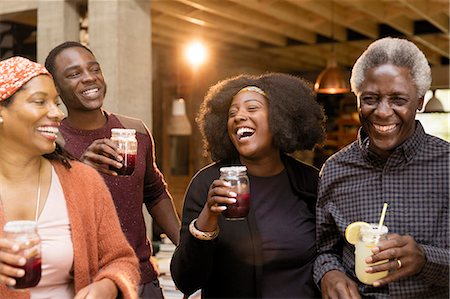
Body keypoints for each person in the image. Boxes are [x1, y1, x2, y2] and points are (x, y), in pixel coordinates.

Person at [314, 37, 449, 298]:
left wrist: (424, 259)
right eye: (371, 98)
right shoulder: (334, 170)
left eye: (398, 99)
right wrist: (329, 273)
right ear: (357, 99)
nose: (383, 112)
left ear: (419, 101)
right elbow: (325, 250)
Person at [44, 41, 180, 298]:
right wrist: (80, 171)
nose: (88, 78)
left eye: (94, 69)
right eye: (74, 74)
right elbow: (44, 210)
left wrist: (185, 246)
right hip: (83, 284)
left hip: (141, 280)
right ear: (56, 88)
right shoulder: (51, 141)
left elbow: (154, 192)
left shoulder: (135, 131)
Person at [171, 73, 326, 298]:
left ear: (280, 118)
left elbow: (330, 254)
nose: (239, 116)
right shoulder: (207, 184)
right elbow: (186, 281)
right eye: (232, 113)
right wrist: (208, 218)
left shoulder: (310, 183)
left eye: (252, 109)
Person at [0, 56, 139, 298]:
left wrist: (107, 285)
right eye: (39, 102)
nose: (56, 114)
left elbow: (121, 261)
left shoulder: (83, 182)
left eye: (56, 103)